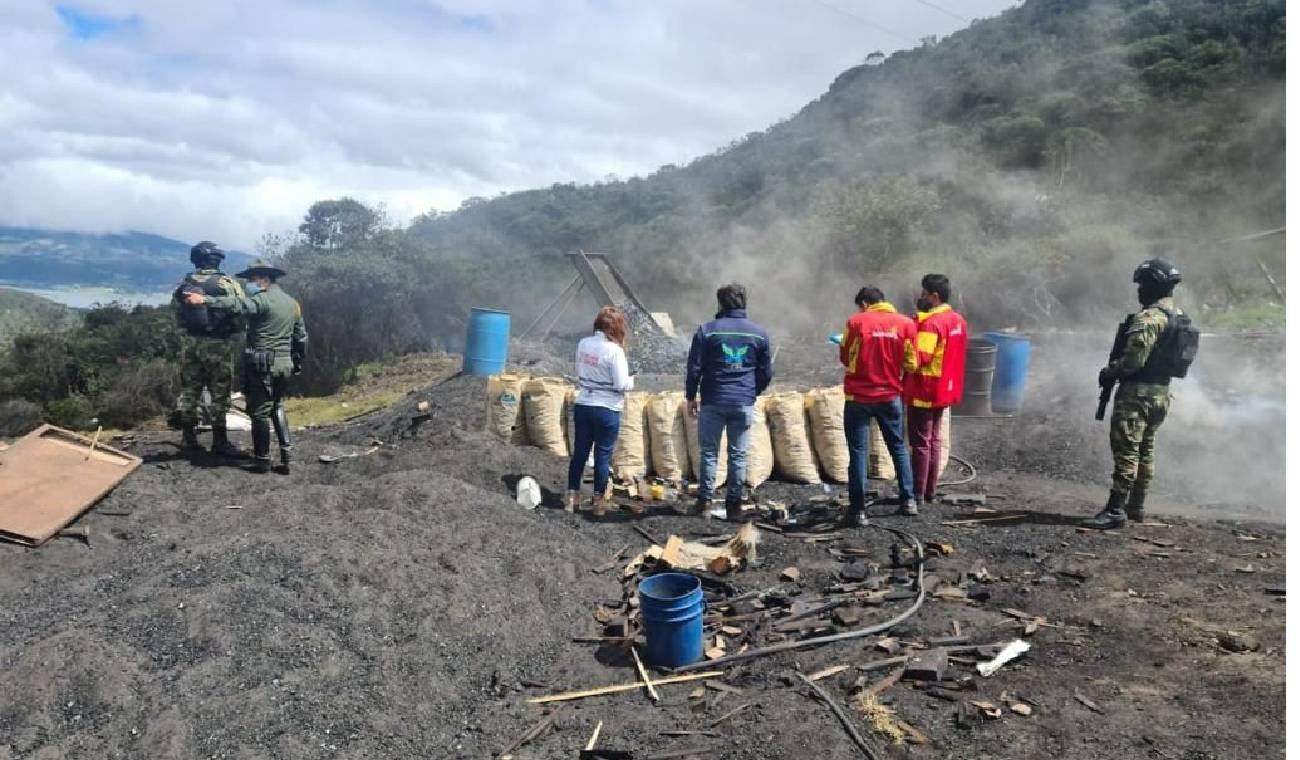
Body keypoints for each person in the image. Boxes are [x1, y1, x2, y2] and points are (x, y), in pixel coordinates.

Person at [1082, 258, 1188, 530]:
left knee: (1127, 451)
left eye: (1143, 285)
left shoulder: (1149, 318)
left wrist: (1110, 372)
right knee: (1145, 450)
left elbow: (1133, 361)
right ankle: (1136, 505)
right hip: (1161, 393)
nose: (1139, 290)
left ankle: (1116, 509)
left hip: (1136, 395)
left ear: (1154, 286)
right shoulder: (1177, 316)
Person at [186, 259, 307, 474]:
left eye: (252, 279)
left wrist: (204, 299)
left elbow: (237, 305)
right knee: (277, 405)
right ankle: (286, 454)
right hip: (284, 364)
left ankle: (262, 460)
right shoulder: (292, 303)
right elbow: (301, 337)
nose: (248, 284)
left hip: (263, 365)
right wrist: (297, 362)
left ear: (264, 279)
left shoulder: (262, 300)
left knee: (259, 412)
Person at [685, 283, 773, 521]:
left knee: (710, 453)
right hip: (743, 401)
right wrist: (752, 391)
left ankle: (704, 503)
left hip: (713, 399)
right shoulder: (759, 333)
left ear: (721, 303)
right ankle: (734, 506)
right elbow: (766, 372)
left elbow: (694, 368)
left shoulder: (707, 331)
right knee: (738, 454)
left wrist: (691, 396)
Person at [839, 286, 918, 526]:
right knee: (898, 448)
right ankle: (908, 501)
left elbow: (845, 357)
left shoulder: (855, 322)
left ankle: (858, 511)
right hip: (890, 397)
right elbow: (912, 363)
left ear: (864, 304)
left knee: (858, 453)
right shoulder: (906, 324)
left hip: (858, 399)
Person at [171, 240, 248, 457]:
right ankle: (220, 441)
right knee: (220, 391)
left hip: (191, 344)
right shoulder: (226, 283)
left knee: (190, 390)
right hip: (218, 343)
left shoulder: (184, 284)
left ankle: (188, 438)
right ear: (216, 260)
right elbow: (241, 308)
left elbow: (176, 313)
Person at [567, 306, 640, 517]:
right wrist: (631, 380)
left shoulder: (583, 344)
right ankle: (599, 502)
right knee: (603, 455)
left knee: (580, 453)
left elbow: (580, 371)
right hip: (607, 409)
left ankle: (571, 498)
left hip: (583, 405)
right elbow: (620, 384)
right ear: (617, 328)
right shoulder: (614, 351)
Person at [904, 273, 968, 506]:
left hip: (924, 389)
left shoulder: (931, 324)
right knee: (934, 440)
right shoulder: (958, 321)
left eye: (923, 294)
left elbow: (919, 358)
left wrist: (901, 349)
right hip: (945, 389)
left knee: (920, 442)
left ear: (934, 296)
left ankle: (917, 492)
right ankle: (930, 490)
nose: (920, 297)